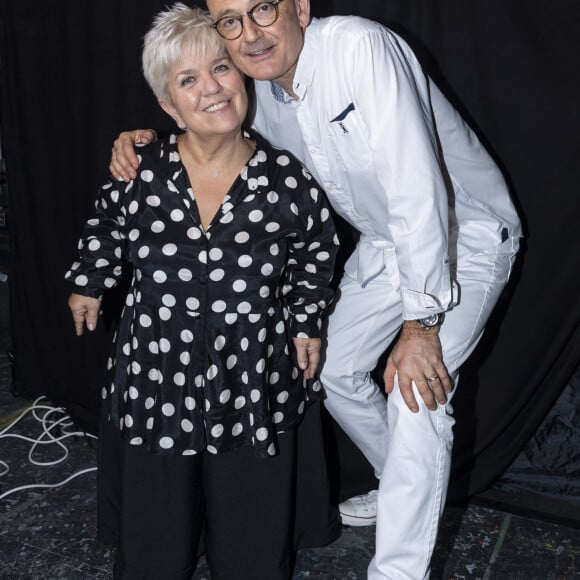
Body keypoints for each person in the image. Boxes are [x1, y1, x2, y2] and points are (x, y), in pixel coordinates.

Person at [110, 1, 522, 578]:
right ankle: (405, 483)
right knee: (335, 369)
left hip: (467, 235)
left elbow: (416, 186)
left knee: (416, 391)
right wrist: (145, 140)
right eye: (232, 21)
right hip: (388, 246)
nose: (250, 34)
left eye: (263, 9)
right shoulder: (261, 96)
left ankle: (398, 570)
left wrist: (422, 323)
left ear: (299, 7)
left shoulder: (359, 47)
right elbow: (214, 134)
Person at [66, 4, 341, 579]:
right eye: (187, 80)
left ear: (241, 76)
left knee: (250, 551)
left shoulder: (288, 180)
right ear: (168, 104)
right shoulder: (139, 169)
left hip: (252, 385)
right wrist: (90, 283)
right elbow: (107, 226)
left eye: (220, 68)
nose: (211, 89)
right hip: (156, 382)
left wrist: (307, 320)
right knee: (154, 550)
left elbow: (318, 250)